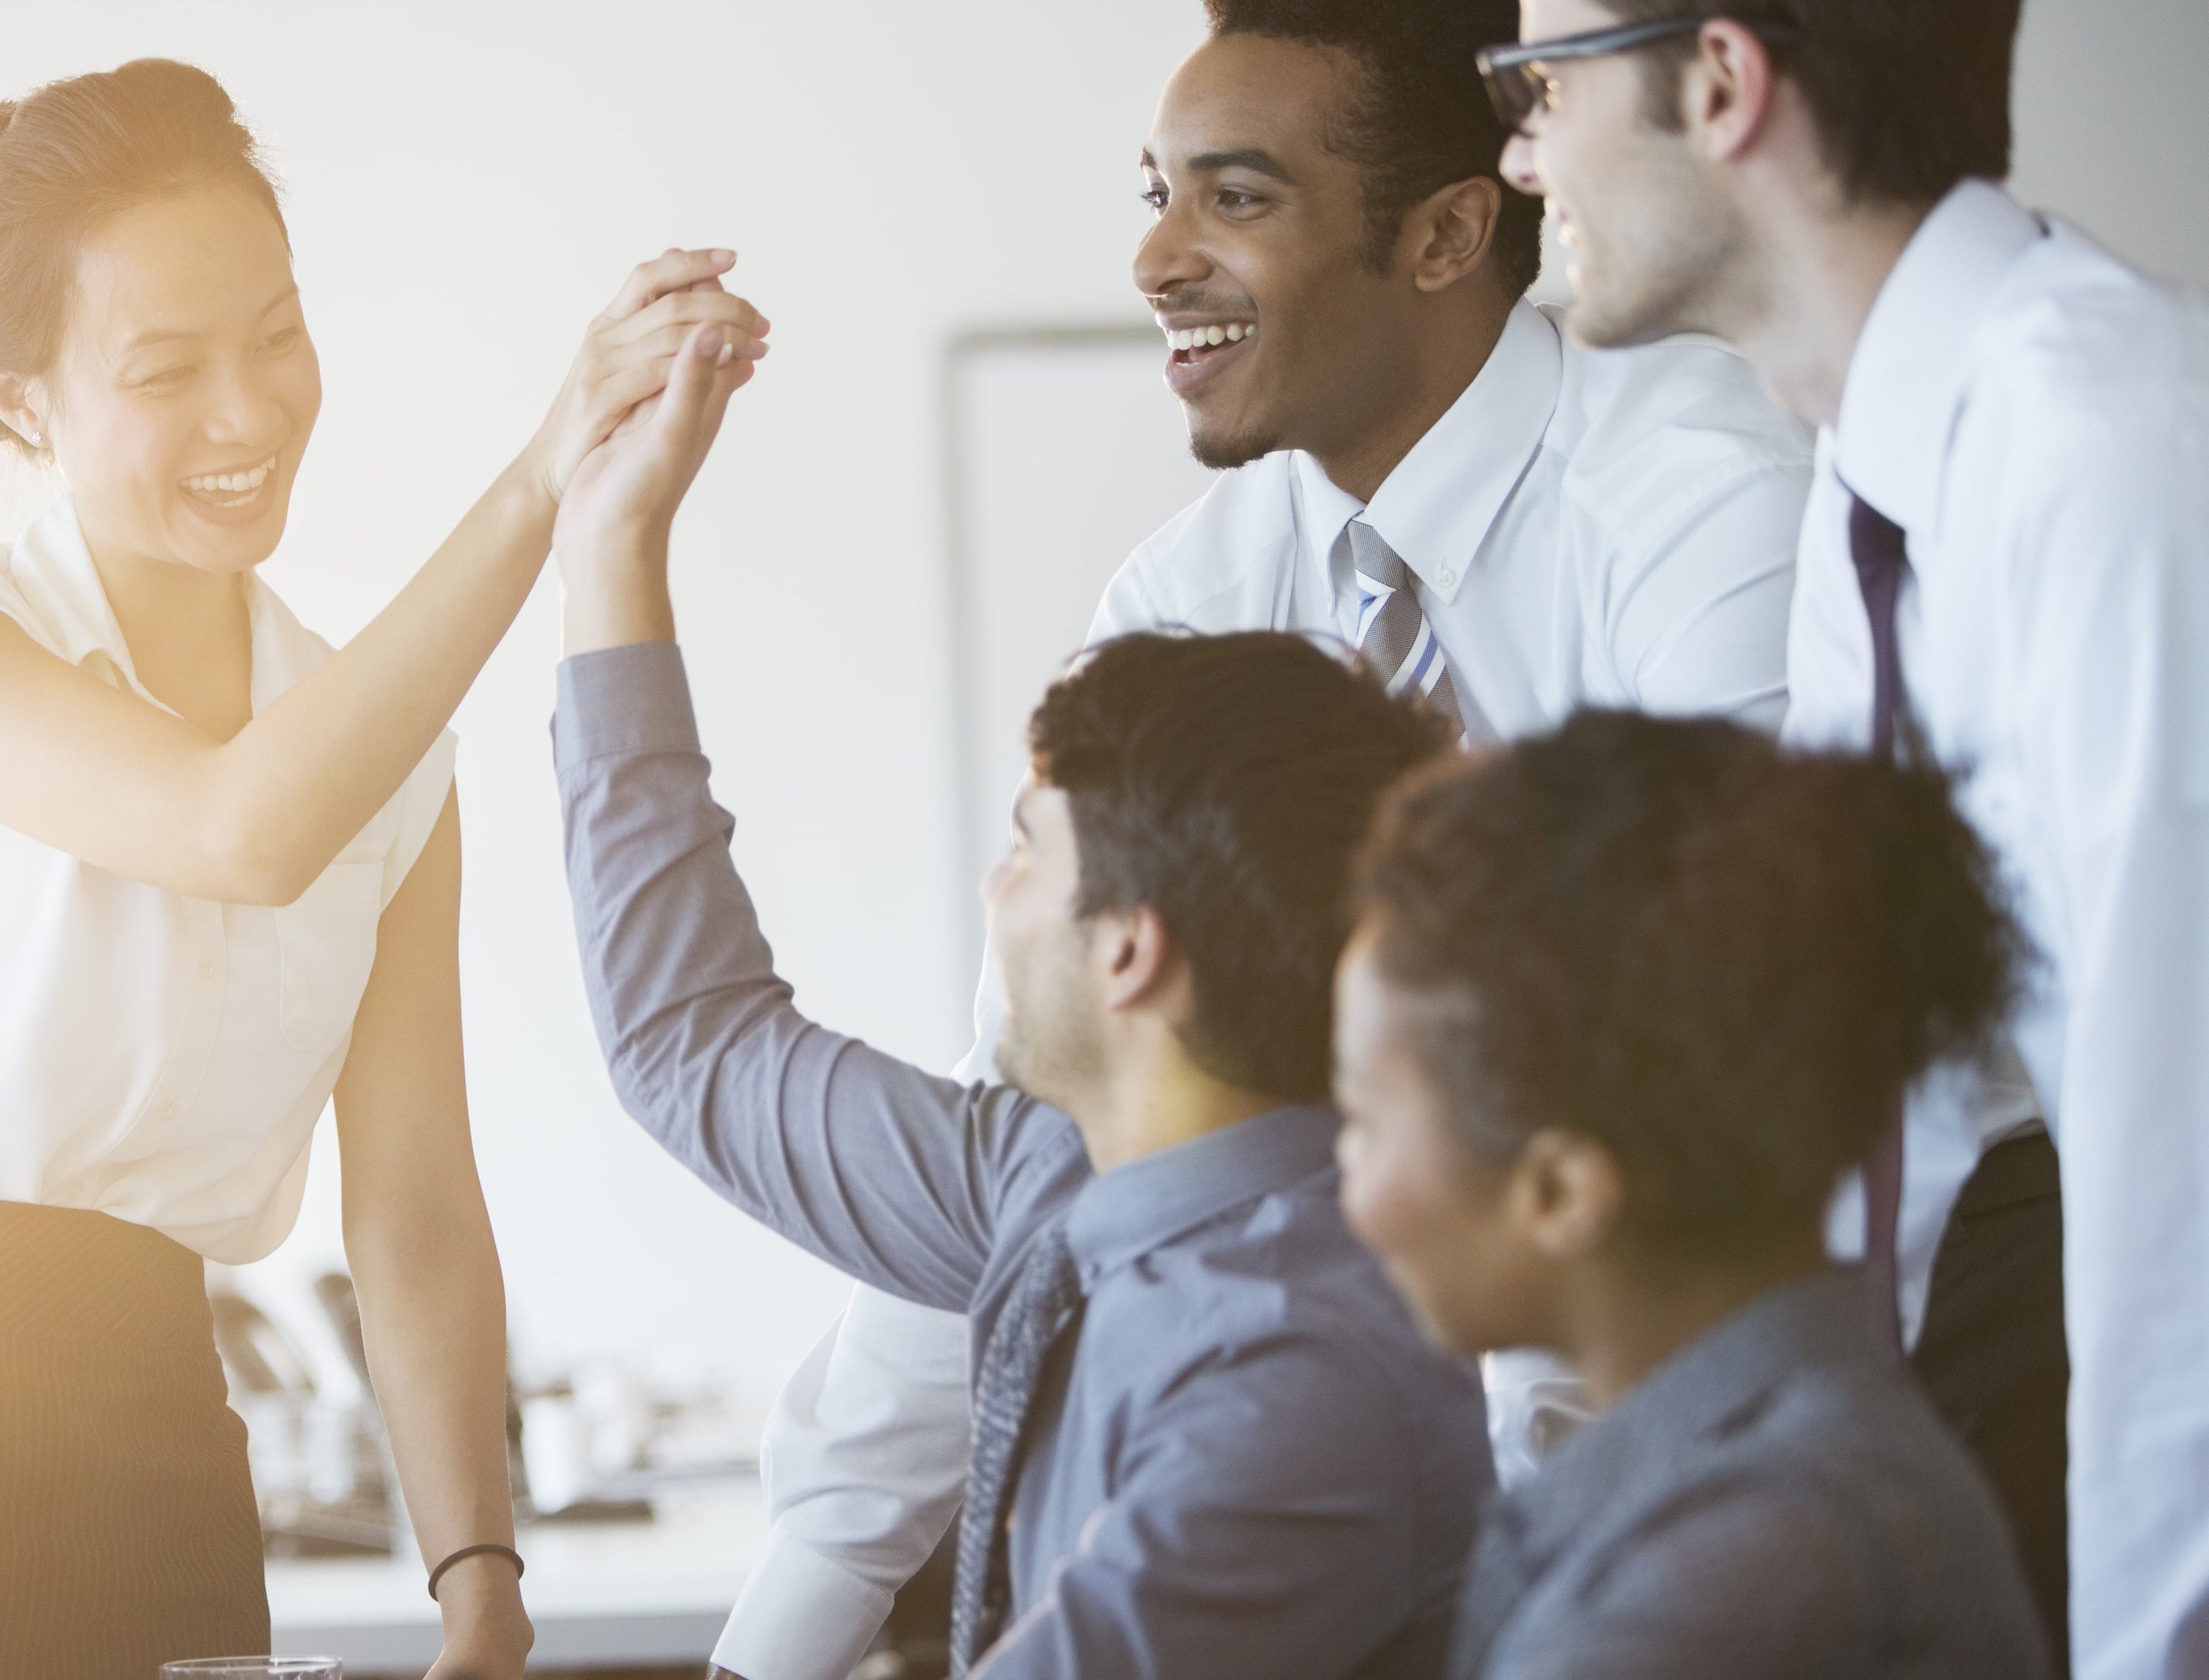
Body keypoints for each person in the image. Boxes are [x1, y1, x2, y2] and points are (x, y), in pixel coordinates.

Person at [0, 58, 765, 1680]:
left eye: (277, 336)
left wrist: (479, 1577)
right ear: (21, 397)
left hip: (144, 1431)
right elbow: (235, 828)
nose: (248, 412)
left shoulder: (384, 755)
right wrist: (539, 480)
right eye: (166, 370)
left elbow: (415, 1203)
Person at [717, 2, 1810, 1670]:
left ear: (1449, 229)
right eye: (1153, 192)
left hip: (1761, 1434)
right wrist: (789, 1620)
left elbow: (1700, 1124)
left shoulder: (1697, 514)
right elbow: (1043, 1110)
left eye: (1234, 198)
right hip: (1389, 1477)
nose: (1158, 257)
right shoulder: (1188, 593)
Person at [549, 387, 1492, 1674]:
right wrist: (612, 545)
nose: (993, 894)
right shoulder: (1061, 1178)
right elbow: (693, 1044)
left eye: (1023, 852)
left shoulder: (1295, 1384)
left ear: (1128, 948)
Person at [1488, 2, 2209, 1670]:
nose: (1522, 148)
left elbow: (2182, 1243)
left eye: (1542, 85)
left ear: (1724, 82)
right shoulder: (1873, 484)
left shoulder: (2112, 463)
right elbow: (1875, 1093)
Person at [1332, 711, 2049, 1678]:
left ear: (1559, 1190)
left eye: (1363, 1123)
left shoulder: (1748, 1574)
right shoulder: (1735, 1474)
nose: (1348, 1189)